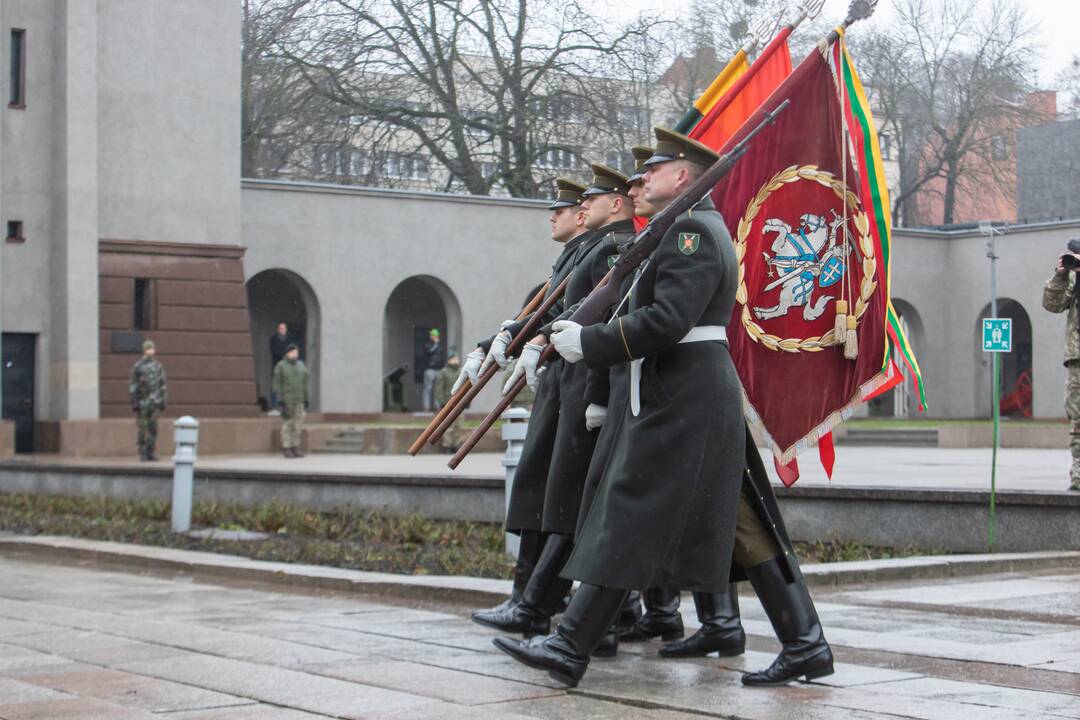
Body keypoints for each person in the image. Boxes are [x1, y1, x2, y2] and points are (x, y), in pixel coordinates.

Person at [473, 164, 638, 655]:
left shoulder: (612, 247)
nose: (572, 211)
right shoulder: (584, 248)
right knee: (546, 489)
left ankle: (545, 605)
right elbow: (547, 309)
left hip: (586, 375)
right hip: (566, 376)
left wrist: (601, 394)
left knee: (570, 498)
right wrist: (501, 337)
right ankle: (549, 603)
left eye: (584, 202)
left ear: (616, 203)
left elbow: (597, 312)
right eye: (574, 203)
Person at [1043, 239, 1080, 490]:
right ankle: (1078, 477)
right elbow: (1052, 304)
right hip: (1077, 361)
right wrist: (1061, 275)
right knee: (1078, 420)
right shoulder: (1074, 281)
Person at [128, 340, 167, 462]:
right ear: (144, 350)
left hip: (154, 403)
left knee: (153, 427)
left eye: (152, 348)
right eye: (148, 348)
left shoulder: (158, 366)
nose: (151, 351)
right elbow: (133, 385)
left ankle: (151, 451)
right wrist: (134, 401)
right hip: (143, 402)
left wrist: (163, 401)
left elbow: (163, 385)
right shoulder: (138, 367)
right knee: (143, 428)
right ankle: (143, 451)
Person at [272, 344, 310, 458]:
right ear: (287, 353)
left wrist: (306, 399)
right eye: (292, 352)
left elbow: (305, 384)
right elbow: (276, 384)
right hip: (287, 401)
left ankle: (296, 446)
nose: (295, 354)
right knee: (287, 425)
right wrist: (279, 400)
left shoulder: (301, 366)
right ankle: (287, 447)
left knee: (298, 425)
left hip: (299, 400)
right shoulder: (281, 366)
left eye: (296, 352)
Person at [432, 352, 465, 452]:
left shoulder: (461, 371)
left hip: (460, 402)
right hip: (447, 402)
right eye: (453, 359)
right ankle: (447, 445)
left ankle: (456, 445)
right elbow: (439, 388)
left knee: (459, 425)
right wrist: (441, 401)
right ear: (449, 360)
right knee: (448, 425)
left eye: (456, 359)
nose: (455, 361)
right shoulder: (444, 372)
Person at [422, 328, 445, 412]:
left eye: (435, 336)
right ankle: (426, 407)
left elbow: (441, 358)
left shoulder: (439, 346)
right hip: (429, 369)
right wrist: (435, 344)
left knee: (437, 389)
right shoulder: (427, 345)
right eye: (433, 336)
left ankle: (437, 406)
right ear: (430, 336)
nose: (434, 337)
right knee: (428, 388)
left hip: (438, 369)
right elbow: (429, 352)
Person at [269, 323, 291, 412]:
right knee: (275, 387)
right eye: (280, 328)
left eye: (284, 328)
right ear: (278, 330)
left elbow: (291, 352)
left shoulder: (289, 340)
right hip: (277, 366)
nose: (282, 330)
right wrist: (283, 355)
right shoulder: (273, 339)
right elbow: (274, 351)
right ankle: (275, 407)